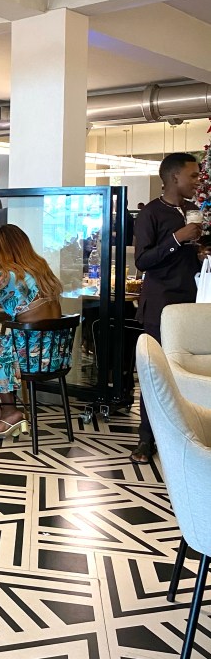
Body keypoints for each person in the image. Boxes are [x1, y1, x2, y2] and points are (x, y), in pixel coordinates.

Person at [0, 224, 63, 440]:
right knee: (2, 342)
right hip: (53, 355)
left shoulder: (8, 276)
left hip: (29, 357)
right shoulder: (41, 270)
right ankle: (7, 415)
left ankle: (5, 415)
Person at [131, 151, 201, 464]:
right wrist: (176, 238)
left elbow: (188, 257)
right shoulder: (151, 214)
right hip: (160, 305)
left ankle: (186, 434)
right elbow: (143, 260)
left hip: (190, 306)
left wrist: (200, 250)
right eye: (193, 175)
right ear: (174, 177)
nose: (197, 181)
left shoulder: (192, 211)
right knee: (155, 372)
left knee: (183, 371)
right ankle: (146, 439)